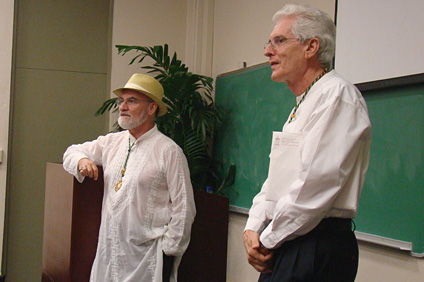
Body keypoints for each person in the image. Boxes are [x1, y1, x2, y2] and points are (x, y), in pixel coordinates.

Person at [243, 4, 372, 282]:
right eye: (269, 42)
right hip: (289, 240)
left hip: (316, 246)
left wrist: (266, 239)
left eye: (279, 41)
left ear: (311, 47)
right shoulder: (303, 104)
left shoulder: (336, 96)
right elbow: (277, 182)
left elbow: (312, 189)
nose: (267, 51)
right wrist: (252, 229)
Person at [63, 73, 196, 282]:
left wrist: (168, 250)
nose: (122, 107)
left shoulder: (169, 151)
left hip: (146, 260)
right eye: (121, 101)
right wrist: (82, 161)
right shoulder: (112, 142)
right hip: (109, 254)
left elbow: (184, 206)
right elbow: (71, 152)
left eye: (131, 101)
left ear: (152, 108)